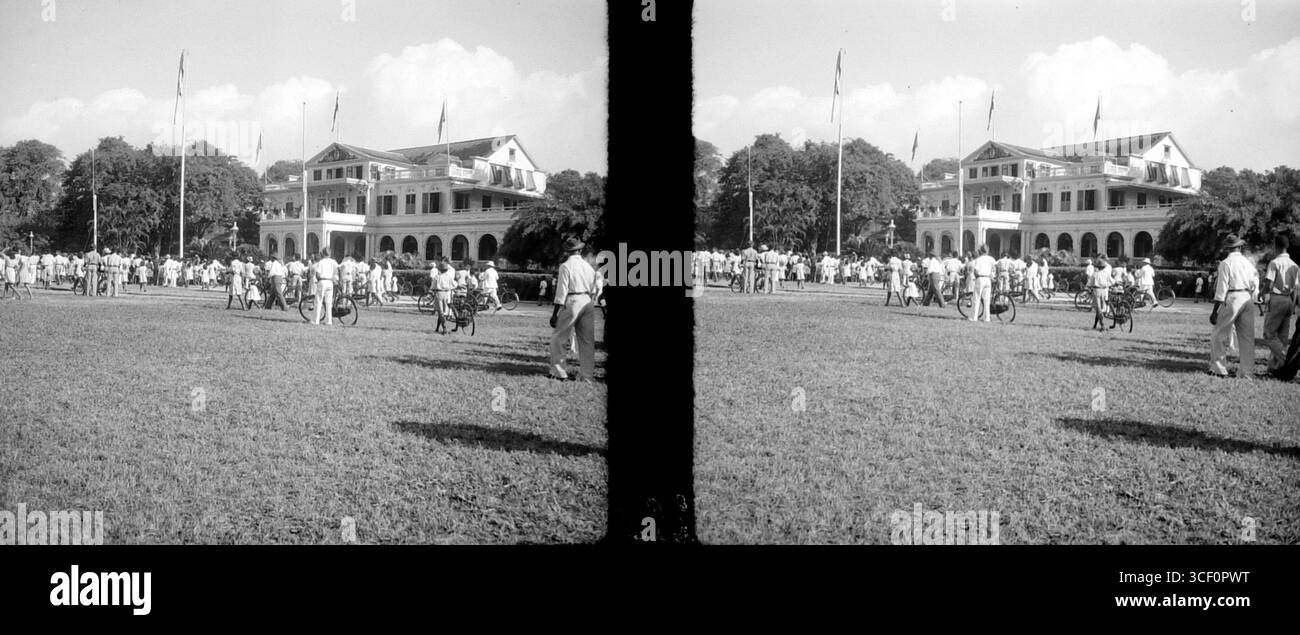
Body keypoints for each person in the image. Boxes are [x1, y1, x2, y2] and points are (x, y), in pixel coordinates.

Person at [1209, 235, 1260, 377]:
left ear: (1227, 248)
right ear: (1240, 247)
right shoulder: (1248, 262)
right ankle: (1247, 372)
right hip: (1247, 297)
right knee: (1247, 337)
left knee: (1219, 334)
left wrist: (1215, 312)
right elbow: (1255, 281)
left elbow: (1221, 290)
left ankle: (1218, 369)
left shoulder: (1226, 263)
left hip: (1233, 296)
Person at [549, 238, 598, 381]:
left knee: (559, 338)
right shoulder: (589, 267)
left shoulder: (565, 266)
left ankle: (559, 373)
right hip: (587, 300)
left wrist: (555, 314)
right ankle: (587, 375)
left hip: (572, 299)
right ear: (580, 250)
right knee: (587, 340)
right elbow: (594, 288)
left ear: (567, 251)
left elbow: (561, 292)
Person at [1260, 234, 1298, 376]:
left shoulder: (1275, 263)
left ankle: (1285, 360)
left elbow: (1269, 282)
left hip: (1277, 298)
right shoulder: (1294, 265)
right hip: (1289, 299)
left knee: (1269, 334)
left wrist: (1262, 292)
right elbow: (1296, 287)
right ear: (1287, 246)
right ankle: (1273, 367)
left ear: (1275, 245)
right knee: (1282, 337)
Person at [311, 250, 340, 325]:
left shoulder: (321, 262)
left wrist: (318, 280)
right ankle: (328, 321)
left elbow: (317, 274)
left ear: (322, 254)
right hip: (330, 282)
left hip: (322, 280)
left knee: (318, 301)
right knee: (329, 302)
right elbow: (338, 270)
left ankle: (315, 320)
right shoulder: (333, 262)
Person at [1089, 254, 1114, 330]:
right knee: (1103, 308)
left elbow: (1090, 284)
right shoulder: (1106, 273)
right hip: (1104, 290)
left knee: (1098, 308)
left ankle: (1102, 324)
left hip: (1096, 291)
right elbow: (1112, 282)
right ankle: (1100, 323)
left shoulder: (1095, 274)